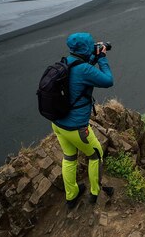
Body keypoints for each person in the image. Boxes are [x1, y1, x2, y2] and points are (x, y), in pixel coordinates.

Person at [51, 32, 115, 208]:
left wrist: (92, 57)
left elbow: (79, 73)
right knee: (95, 155)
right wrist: (101, 57)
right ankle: (95, 193)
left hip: (58, 124)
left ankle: (71, 196)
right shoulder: (85, 69)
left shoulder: (65, 63)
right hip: (76, 128)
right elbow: (108, 80)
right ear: (87, 47)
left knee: (69, 157)